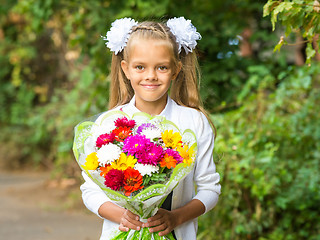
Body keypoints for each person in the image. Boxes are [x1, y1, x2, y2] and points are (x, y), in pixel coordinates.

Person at [79, 17, 221, 240]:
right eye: (140, 67)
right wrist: (120, 215)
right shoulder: (108, 123)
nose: (151, 76)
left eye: (162, 67)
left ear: (176, 70)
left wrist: (177, 217)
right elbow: (90, 189)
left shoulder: (194, 122)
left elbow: (210, 189)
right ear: (126, 69)